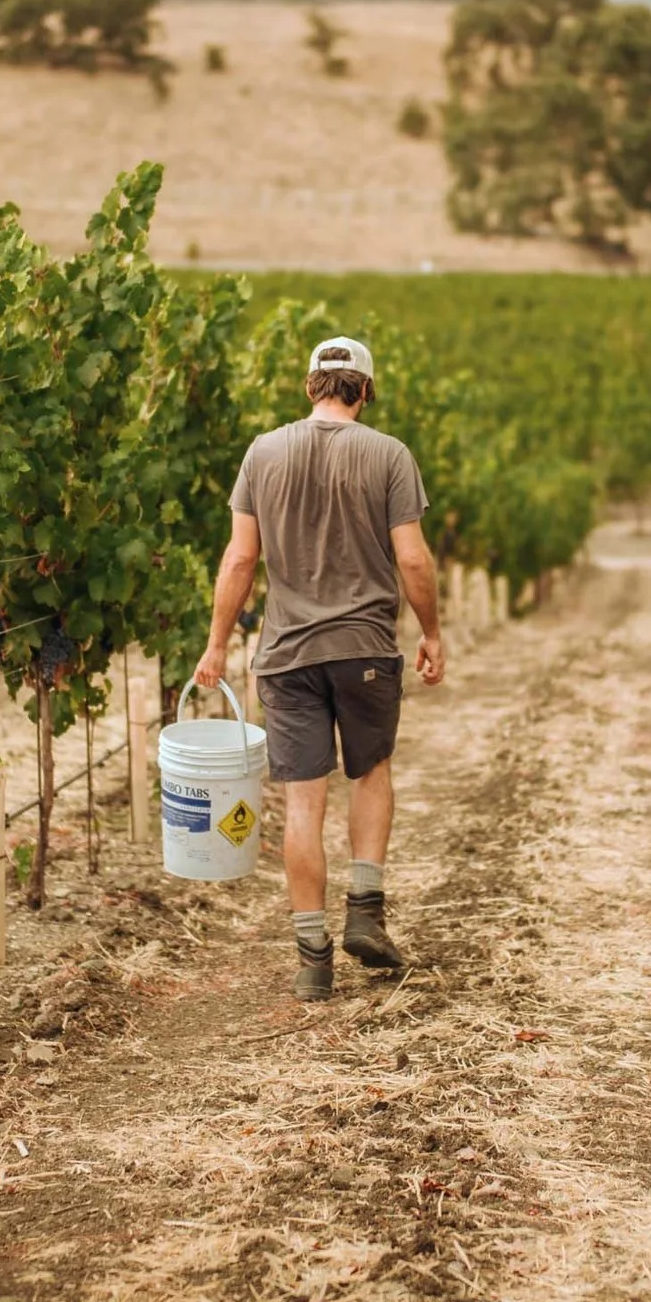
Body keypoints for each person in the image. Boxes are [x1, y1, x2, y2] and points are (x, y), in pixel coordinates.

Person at [195, 337, 445, 1001]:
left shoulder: (261, 453)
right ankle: (365, 906)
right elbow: (414, 560)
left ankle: (312, 957)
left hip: (286, 655)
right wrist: (433, 631)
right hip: (365, 647)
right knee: (371, 772)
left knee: (303, 801)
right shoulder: (388, 454)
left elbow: (240, 561)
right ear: (364, 389)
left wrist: (218, 645)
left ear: (311, 385)